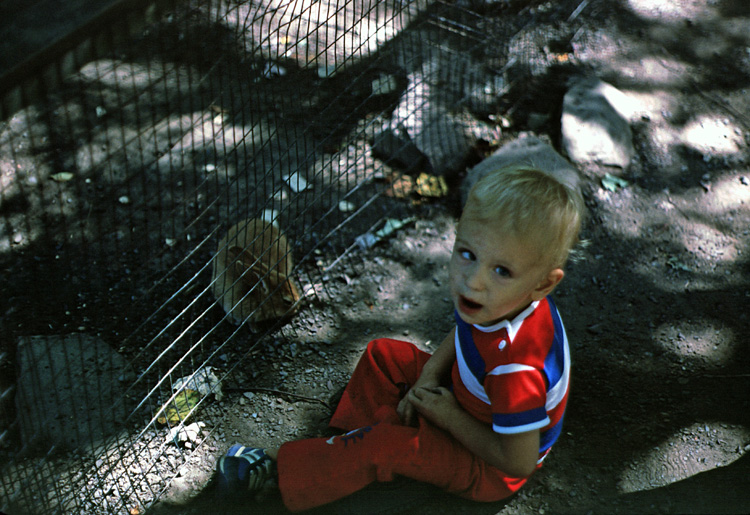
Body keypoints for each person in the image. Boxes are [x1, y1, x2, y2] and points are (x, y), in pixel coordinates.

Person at [216, 164, 585, 512]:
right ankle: (354, 456)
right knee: (383, 354)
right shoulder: (501, 299)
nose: (473, 279)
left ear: (544, 283)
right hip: (469, 403)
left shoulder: (516, 368)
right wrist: (427, 378)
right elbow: (464, 335)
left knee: (384, 445)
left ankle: (281, 474)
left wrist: (448, 415)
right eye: (467, 254)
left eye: (501, 270)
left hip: (486, 464)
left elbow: (517, 463)